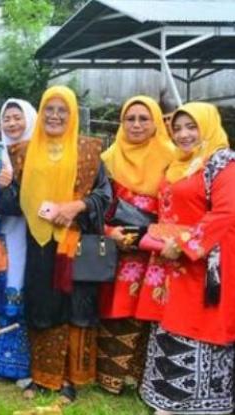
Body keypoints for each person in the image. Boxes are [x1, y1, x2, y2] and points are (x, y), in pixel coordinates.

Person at [140, 102, 234, 415]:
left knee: (201, 321)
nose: (183, 134)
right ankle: (168, 397)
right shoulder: (178, 165)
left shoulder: (222, 162)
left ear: (207, 126)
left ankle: (206, 402)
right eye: (177, 128)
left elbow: (226, 212)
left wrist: (184, 245)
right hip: (176, 259)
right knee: (174, 320)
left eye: (191, 126)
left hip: (209, 259)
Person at [18, 86, 112, 403]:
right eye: (49, 109)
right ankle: (42, 376)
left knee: (73, 306)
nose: (55, 116)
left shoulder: (88, 150)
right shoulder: (25, 151)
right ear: (41, 112)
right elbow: (11, 200)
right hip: (39, 241)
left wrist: (76, 207)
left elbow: (104, 195)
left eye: (62, 110)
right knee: (42, 304)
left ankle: (69, 380)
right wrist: (5, 184)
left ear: (72, 115)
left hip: (73, 242)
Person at [96, 96, 175, 394]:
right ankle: (110, 377)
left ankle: (143, 376)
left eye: (144, 118)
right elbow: (98, 202)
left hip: (157, 249)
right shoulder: (108, 159)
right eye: (131, 119)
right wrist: (109, 232)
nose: (137, 124)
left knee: (149, 308)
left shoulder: (173, 158)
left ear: (156, 122)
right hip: (118, 246)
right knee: (116, 305)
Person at [0, 98, 38, 381]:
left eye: (18, 117)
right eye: (7, 119)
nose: (12, 124)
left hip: (30, 235)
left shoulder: (41, 153)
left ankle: (20, 365)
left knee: (21, 289)